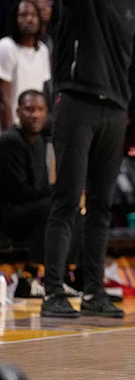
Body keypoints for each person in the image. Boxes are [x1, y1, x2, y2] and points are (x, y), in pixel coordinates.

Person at [42, 0, 135, 319]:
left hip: (116, 111)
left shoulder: (134, 2)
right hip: (77, 103)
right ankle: (52, 292)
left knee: (102, 205)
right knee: (68, 200)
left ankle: (92, 293)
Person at [0, 90, 51, 263]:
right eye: (29, 109)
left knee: (70, 208)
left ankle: (71, 272)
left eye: (40, 109)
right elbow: (17, 192)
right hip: (9, 213)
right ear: (18, 112)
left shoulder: (40, 141)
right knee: (52, 207)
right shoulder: (9, 141)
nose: (35, 115)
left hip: (29, 207)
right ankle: (35, 271)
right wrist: (55, 191)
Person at [0, 0, 51, 129]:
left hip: (32, 125)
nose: (29, 19)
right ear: (15, 19)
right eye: (23, 15)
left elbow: (42, 91)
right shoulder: (6, 46)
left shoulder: (43, 50)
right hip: (11, 124)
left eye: (33, 15)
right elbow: (3, 95)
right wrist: (10, 129)